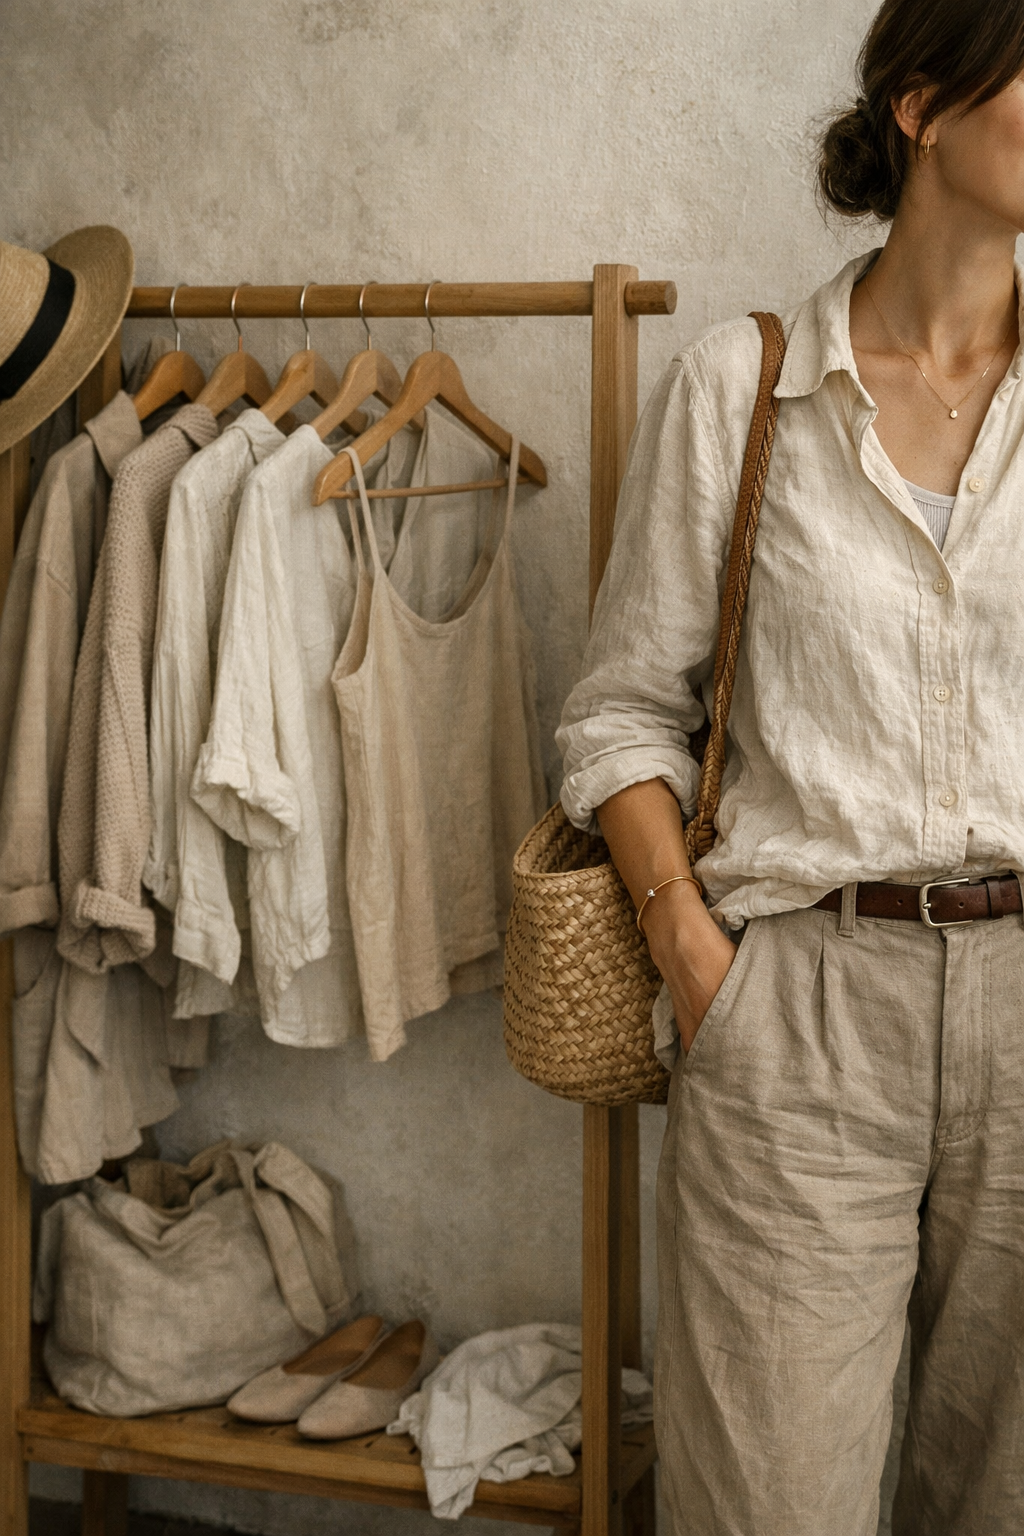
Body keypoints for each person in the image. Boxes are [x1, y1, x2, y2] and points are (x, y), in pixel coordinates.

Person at [557, 1, 1024, 1530]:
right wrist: (702, 966)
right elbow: (622, 712)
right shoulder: (743, 387)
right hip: (803, 1018)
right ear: (923, 103)